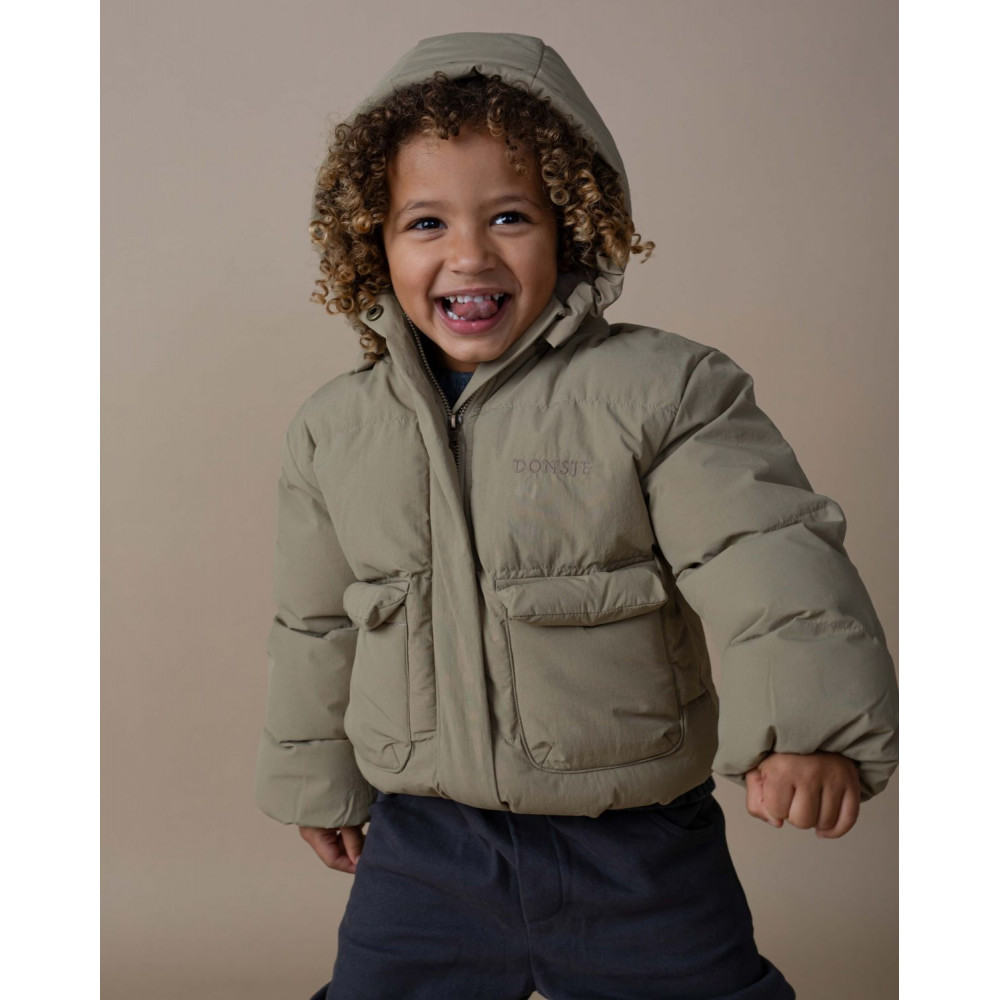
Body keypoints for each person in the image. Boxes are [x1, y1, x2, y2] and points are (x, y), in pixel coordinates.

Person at [254, 32, 899, 1000]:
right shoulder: (333, 430)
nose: (469, 253)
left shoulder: (665, 391)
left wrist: (809, 727)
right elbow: (315, 624)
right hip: (425, 848)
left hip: (637, 847)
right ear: (370, 243)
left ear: (573, 226)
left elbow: (764, 553)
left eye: (510, 216)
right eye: (425, 222)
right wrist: (317, 780)